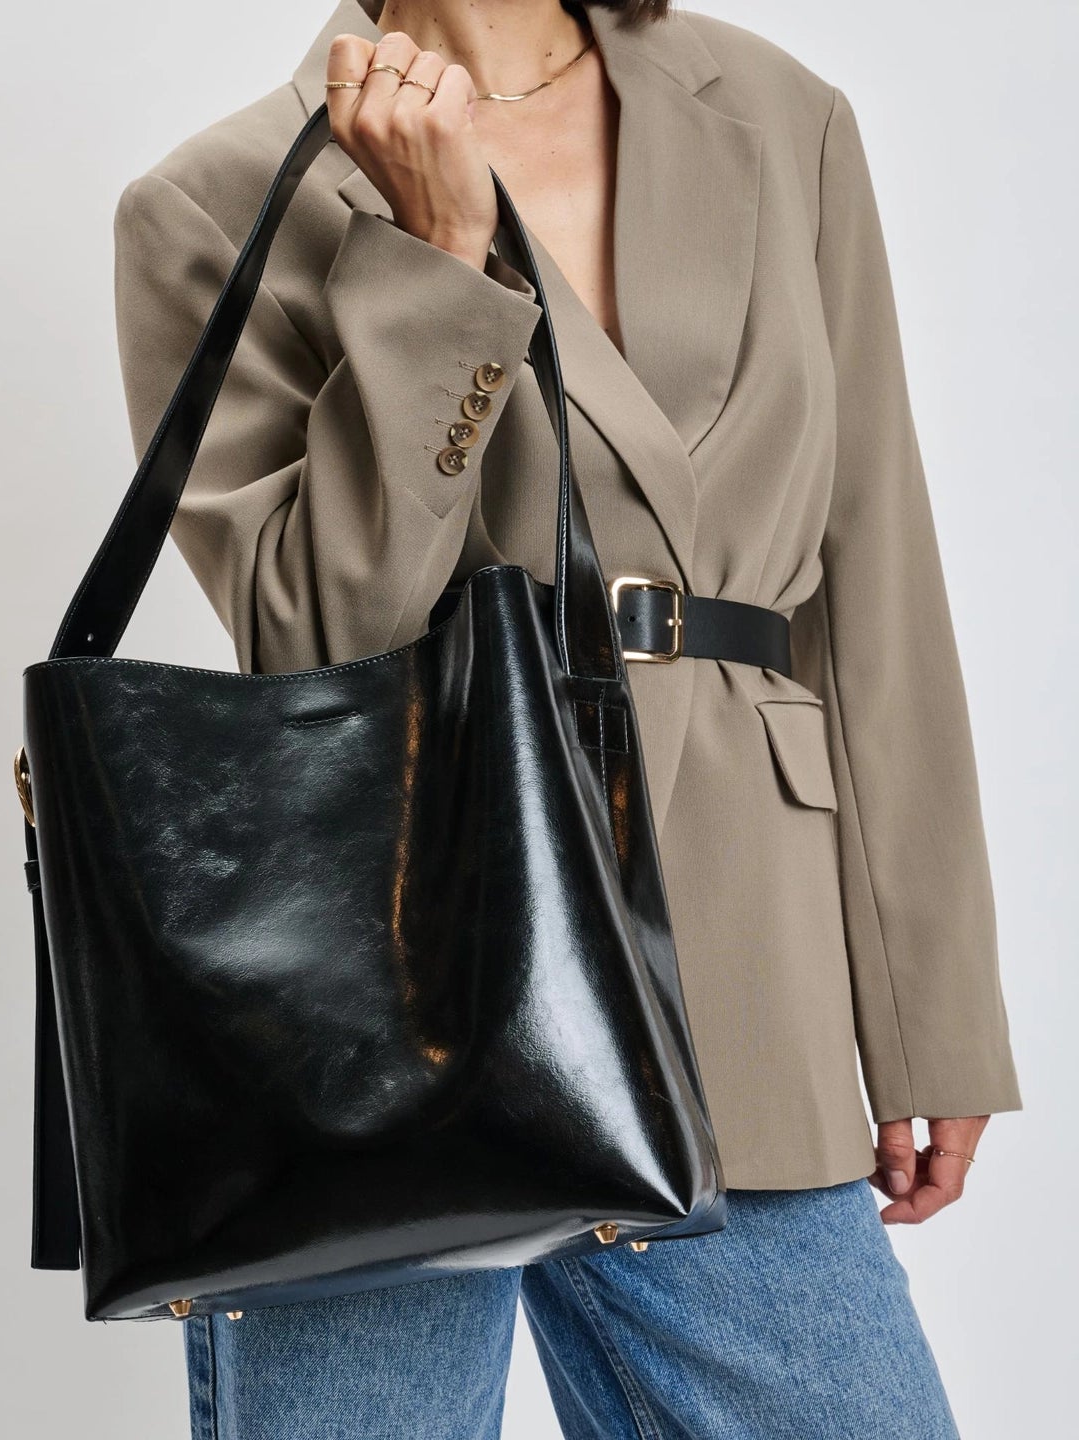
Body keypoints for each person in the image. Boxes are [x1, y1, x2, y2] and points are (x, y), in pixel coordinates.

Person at [108, 1, 1023, 1434]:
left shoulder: (778, 117)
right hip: (380, 1012)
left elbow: (874, 573)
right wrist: (433, 262)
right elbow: (313, 633)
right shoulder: (214, 201)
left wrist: (931, 1015)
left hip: (738, 974)